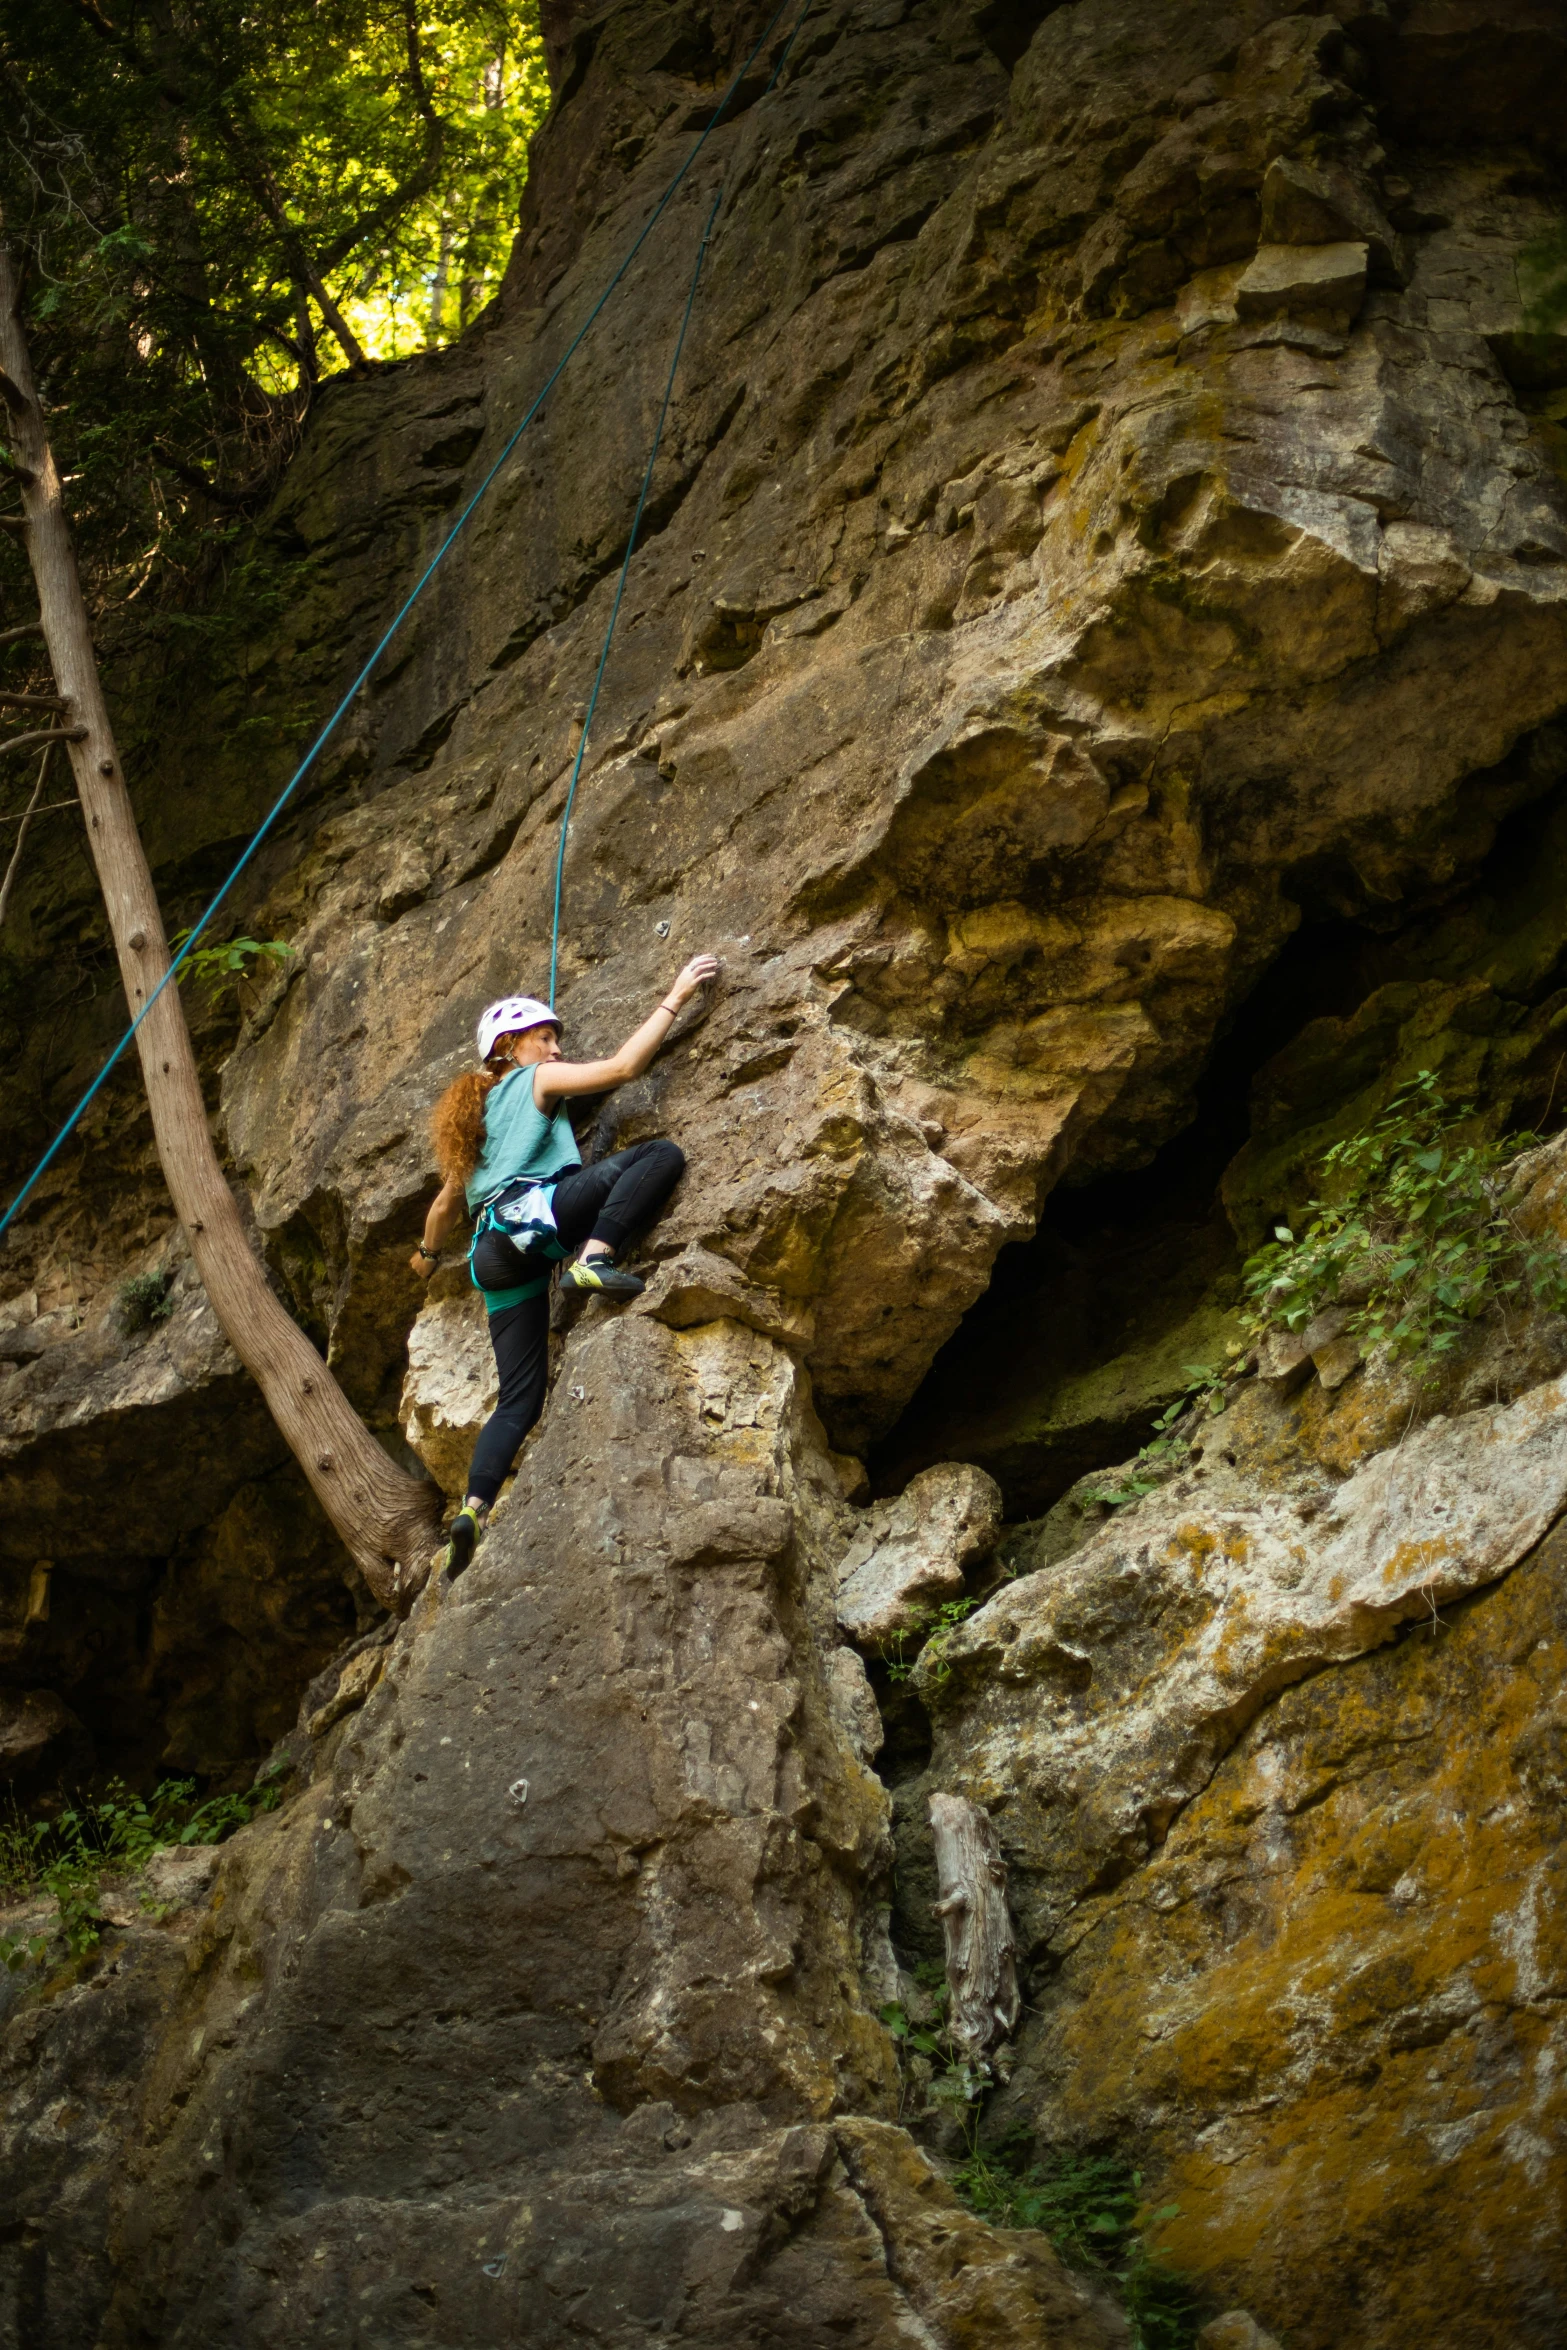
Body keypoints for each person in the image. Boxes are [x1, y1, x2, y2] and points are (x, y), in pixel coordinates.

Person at [411, 954, 718, 1574]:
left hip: (491, 1256)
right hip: (538, 1218)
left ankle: (473, 1508)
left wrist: (424, 1257)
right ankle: (595, 1258)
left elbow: (445, 1207)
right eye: (543, 1038)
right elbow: (625, 1068)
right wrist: (677, 993)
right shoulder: (535, 1082)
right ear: (509, 1047)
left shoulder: (473, 1123)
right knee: (658, 1154)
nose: (554, 1049)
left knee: (518, 1401)